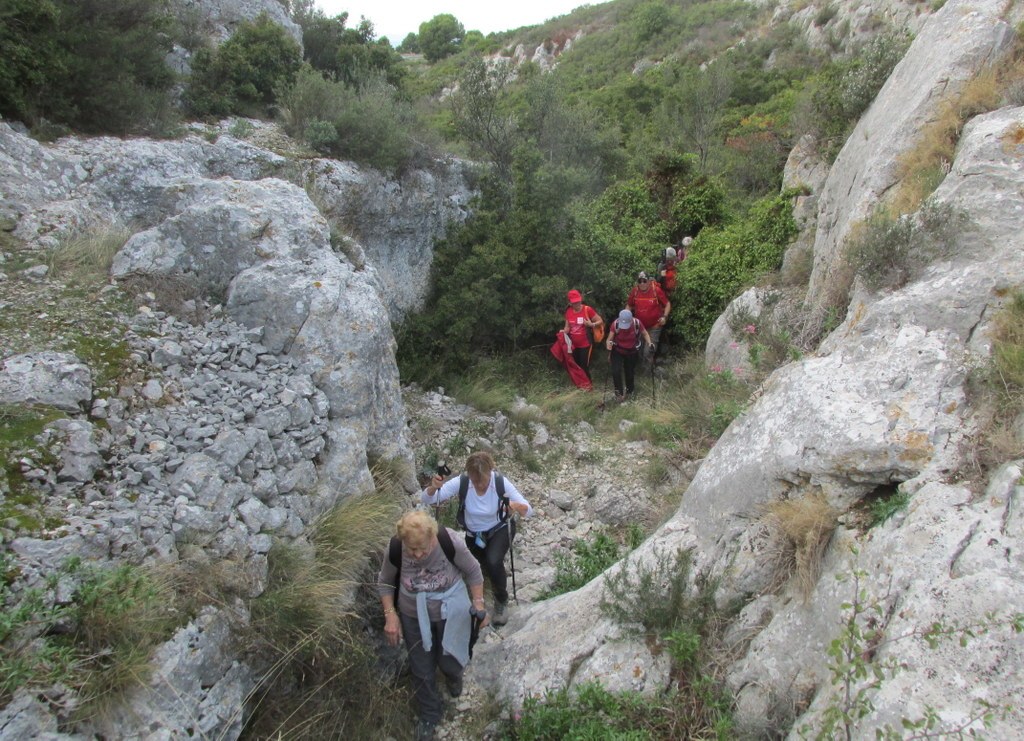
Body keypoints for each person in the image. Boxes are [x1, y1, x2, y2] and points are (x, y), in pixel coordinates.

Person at [378, 509, 488, 741]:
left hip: (451, 610)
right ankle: (430, 712)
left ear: (432, 538)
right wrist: (390, 615)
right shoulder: (396, 548)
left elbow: (473, 571)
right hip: (412, 614)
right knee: (421, 667)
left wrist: (478, 603)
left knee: (449, 658)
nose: (417, 555)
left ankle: (452, 674)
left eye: (423, 549)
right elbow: (385, 582)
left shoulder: (449, 541)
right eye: (412, 550)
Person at [421, 451, 532, 627]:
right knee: (477, 567)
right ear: (469, 475)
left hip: (499, 529)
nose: (480, 485)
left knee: (493, 561)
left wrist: (515, 506)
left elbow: (528, 509)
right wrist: (433, 487)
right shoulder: (463, 482)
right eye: (475, 480)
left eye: (483, 480)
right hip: (474, 535)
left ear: (490, 472)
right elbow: (428, 499)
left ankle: (501, 601)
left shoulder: (500, 482)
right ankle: (481, 592)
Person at [606, 309, 651, 401]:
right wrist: (608, 346)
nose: (624, 328)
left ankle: (630, 392)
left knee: (629, 372)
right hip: (617, 350)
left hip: (631, 351)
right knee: (616, 371)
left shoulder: (636, 323)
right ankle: (619, 394)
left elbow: (645, 333)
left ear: (631, 320)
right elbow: (609, 339)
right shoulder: (615, 324)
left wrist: (650, 343)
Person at [626, 271, 671, 359]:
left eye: (644, 281)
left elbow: (667, 304)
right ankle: (641, 370)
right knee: (638, 350)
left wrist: (664, 317)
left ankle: (648, 371)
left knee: (648, 351)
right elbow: (629, 305)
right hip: (639, 327)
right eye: (640, 281)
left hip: (654, 326)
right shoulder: (635, 291)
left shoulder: (656, 290)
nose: (642, 283)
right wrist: (626, 317)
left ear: (649, 281)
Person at [562, 289, 604, 381]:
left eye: (578, 301)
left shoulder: (587, 309)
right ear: (570, 303)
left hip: (586, 344)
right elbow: (567, 327)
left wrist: (591, 324)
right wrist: (564, 331)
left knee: (584, 365)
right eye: (574, 303)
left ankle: (588, 386)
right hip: (573, 345)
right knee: (576, 365)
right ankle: (580, 385)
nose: (577, 304)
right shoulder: (568, 312)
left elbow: (600, 320)